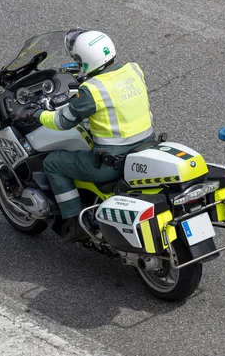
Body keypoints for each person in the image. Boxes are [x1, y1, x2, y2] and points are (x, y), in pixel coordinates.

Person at [14, 29, 155, 242]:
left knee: (53, 162)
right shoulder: (134, 70)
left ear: (87, 60)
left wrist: (37, 113)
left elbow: (62, 121)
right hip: (145, 148)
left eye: (79, 60)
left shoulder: (93, 90)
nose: (78, 63)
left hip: (109, 164)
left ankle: (73, 221)